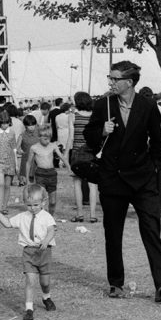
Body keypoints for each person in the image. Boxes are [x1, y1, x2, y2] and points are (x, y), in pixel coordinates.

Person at [85, 61, 161, 302]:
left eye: (115, 79)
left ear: (129, 82)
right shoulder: (102, 105)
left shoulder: (148, 106)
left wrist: (156, 173)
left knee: (151, 230)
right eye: (110, 78)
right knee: (113, 233)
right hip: (113, 178)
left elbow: (158, 144)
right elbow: (90, 141)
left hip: (142, 178)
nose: (111, 82)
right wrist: (102, 132)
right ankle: (116, 283)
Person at [0, 183, 57, 320]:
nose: (33, 208)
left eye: (36, 205)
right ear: (25, 203)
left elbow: (52, 230)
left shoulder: (46, 216)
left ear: (43, 202)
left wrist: (46, 241)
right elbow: (7, 223)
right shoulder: (22, 216)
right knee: (30, 281)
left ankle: (46, 297)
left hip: (44, 252)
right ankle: (29, 309)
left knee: (45, 282)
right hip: (29, 252)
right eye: (29, 205)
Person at [68, 91, 98, 223]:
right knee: (93, 184)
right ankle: (92, 215)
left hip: (77, 152)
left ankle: (80, 214)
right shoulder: (94, 116)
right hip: (91, 152)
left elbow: (71, 137)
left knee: (77, 183)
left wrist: (65, 155)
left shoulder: (73, 116)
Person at [26, 125, 70, 215]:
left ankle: (51, 218)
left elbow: (62, 157)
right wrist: (27, 179)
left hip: (52, 174)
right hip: (40, 174)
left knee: (53, 201)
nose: (47, 141)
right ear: (39, 137)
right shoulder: (34, 147)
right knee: (40, 199)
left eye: (49, 138)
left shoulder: (53, 145)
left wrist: (69, 168)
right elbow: (28, 163)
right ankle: (41, 219)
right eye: (45, 139)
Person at [0, 110, 18, 212]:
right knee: (0, 184)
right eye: (2, 123)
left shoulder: (12, 133)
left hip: (10, 162)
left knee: (7, 185)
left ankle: (4, 207)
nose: (5, 125)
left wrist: (16, 164)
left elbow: (14, 148)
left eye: (6, 123)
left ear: (9, 122)